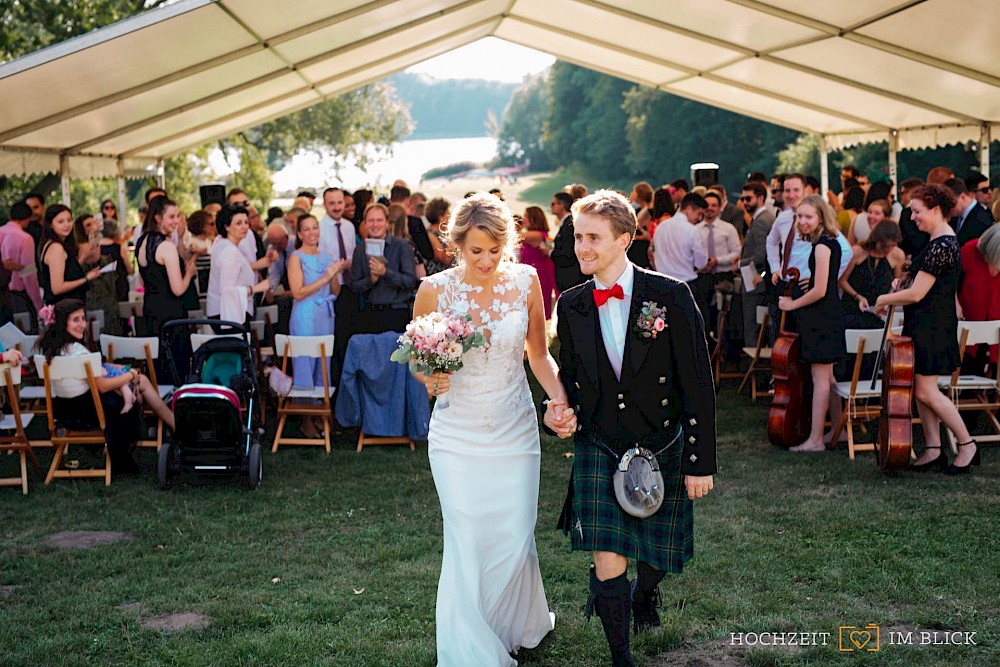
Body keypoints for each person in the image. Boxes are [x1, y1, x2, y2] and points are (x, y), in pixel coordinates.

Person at [541, 189, 715, 667]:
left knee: (656, 557)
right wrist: (557, 410)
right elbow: (572, 379)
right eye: (579, 237)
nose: (582, 248)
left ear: (625, 238)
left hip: (661, 440)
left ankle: (646, 593)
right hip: (600, 440)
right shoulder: (572, 305)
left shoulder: (671, 296)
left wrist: (700, 463)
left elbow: (699, 385)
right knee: (607, 553)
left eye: (593, 238)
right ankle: (622, 658)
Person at [412, 192, 566, 666]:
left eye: (495, 250)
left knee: (514, 531)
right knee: (467, 536)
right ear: (457, 243)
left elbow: (538, 355)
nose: (486, 260)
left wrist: (561, 400)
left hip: (514, 426)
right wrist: (430, 375)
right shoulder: (435, 289)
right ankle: (471, 646)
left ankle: (512, 623)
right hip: (457, 432)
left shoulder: (526, 281)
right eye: (476, 250)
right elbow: (421, 360)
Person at [875, 184, 978, 475]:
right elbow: (918, 282)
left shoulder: (943, 244)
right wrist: (902, 282)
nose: (912, 216)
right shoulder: (936, 241)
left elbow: (918, 293)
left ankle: (967, 444)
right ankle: (933, 449)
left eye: (917, 211)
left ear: (935, 209)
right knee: (921, 391)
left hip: (933, 326)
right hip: (924, 324)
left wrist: (884, 298)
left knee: (926, 390)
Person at [35, 299, 176, 474]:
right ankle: (177, 428)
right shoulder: (78, 351)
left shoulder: (48, 349)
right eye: (75, 320)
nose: (82, 324)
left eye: (83, 318)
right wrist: (131, 374)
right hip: (90, 412)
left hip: (63, 410)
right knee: (141, 384)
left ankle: (169, 427)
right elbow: (102, 386)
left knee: (134, 388)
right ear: (63, 323)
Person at [778, 196, 846, 452]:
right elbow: (825, 282)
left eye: (809, 217)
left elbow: (820, 291)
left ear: (821, 218)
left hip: (822, 318)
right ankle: (837, 430)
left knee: (820, 379)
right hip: (828, 316)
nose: (803, 222)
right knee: (828, 377)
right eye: (800, 216)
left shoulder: (821, 246)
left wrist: (792, 305)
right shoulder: (830, 242)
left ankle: (816, 439)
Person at [287, 214, 344, 438]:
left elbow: (336, 292)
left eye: (315, 228)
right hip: (305, 314)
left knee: (323, 364)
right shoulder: (296, 258)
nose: (312, 233)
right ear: (300, 234)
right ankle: (306, 418)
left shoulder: (326, 256)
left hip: (324, 316)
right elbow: (298, 292)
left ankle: (322, 414)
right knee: (305, 365)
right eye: (307, 230)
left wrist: (333, 276)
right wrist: (324, 278)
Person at [349, 203, 417, 334]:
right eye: (371, 221)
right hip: (370, 315)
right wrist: (371, 280)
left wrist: (385, 272)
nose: (375, 225)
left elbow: (410, 282)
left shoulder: (401, 246)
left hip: (397, 314)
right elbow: (354, 286)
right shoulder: (360, 250)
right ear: (365, 224)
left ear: (387, 223)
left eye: (379, 220)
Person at [207, 204, 270, 326]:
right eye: (238, 223)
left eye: (246, 222)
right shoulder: (229, 251)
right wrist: (257, 288)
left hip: (224, 312)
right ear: (227, 227)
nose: (244, 227)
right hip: (227, 315)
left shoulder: (221, 244)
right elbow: (227, 291)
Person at [839, 220, 905, 329]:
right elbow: (842, 280)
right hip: (852, 307)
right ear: (877, 240)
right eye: (885, 246)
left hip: (877, 311)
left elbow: (898, 285)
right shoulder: (858, 252)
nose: (888, 250)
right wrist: (858, 296)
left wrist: (888, 301)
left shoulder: (897, 255)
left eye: (892, 246)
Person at [957, 224, 1000, 377]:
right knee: (967, 366)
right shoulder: (971, 250)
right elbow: (949, 280)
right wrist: (955, 303)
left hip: (996, 326)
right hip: (968, 322)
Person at [39, 205, 101, 306]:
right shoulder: (56, 248)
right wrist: (86, 279)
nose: (66, 225)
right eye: (61, 222)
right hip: (64, 308)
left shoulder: (61, 245)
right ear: (50, 224)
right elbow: (57, 288)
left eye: (69, 220)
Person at [0, 201, 43, 331]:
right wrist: (38, 304)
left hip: (2, 295)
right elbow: (28, 274)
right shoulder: (25, 238)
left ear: (9, 216)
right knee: (24, 339)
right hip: (18, 296)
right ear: (27, 219)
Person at [519, 205, 558, 319]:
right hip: (533, 275)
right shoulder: (538, 234)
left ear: (534, 218)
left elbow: (512, 236)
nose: (523, 218)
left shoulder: (536, 235)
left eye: (526, 216)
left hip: (538, 276)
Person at [551, 191, 585, 292]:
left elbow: (568, 253)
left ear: (561, 205)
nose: (551, 206)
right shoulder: (566, 223)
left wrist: (550, 252)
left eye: (553, 203)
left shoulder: (570, 224)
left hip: (571, 278)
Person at [422, 197, 454, 276]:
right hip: (439, 275)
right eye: (448, 214)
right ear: (441, 217)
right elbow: (444, 259)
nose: (450, 217)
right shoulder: (430, 235)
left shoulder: (444, 233)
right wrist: (453, 241)